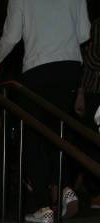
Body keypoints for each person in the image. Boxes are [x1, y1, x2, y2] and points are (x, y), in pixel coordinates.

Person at [0, 0, 91, 223]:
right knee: (60, 130)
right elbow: (84, 34)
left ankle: (42, 206)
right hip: (70, 68)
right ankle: (64, 186)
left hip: (38, 69)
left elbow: (11, 35)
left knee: (35, 136)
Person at [75, 15, 100, 208]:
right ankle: (94, 190)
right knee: (92, 142)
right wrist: (81, 94)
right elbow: (89, 58)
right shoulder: (96, 27)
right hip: (94, 93)